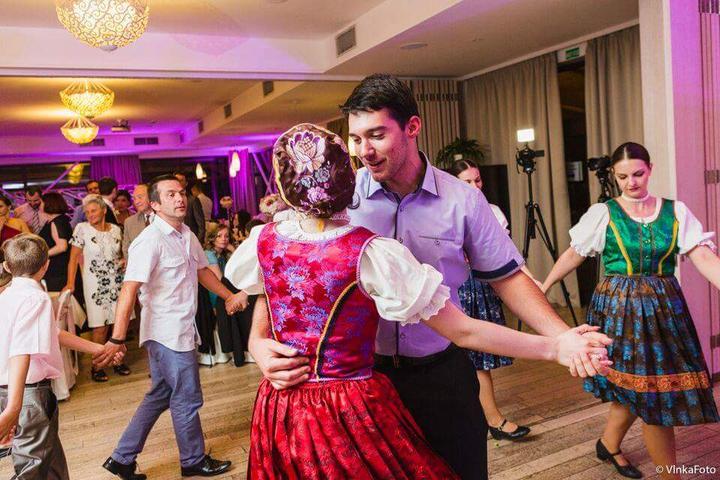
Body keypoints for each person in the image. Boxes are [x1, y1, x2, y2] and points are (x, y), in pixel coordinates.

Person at [249, 74, 611, 480]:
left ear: (412, 127)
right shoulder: (336, 199)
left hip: (441, 372)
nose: (364, 151)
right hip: (365, 383)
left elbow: (508, 278)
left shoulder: (464, 200)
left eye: (377, 135)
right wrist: (257, 341)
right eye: (355, 139)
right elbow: (280, 276)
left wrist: (563, 338)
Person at [542, 142, 720, 479]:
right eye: (622, 177)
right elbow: (575, 253)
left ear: (650, 169)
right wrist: (545, 285)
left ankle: (608, 443)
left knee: (644, 386)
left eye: (638, 174)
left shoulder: (676, 211)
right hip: (618, 309)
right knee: (648, 393)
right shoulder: (604, 212)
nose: (631, 182)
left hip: (664, 310)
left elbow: (705, 258)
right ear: (613, 174)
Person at [95, 174, 248, 480]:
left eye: (181, 193)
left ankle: (122, 458)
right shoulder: (149, 241)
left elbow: (202, 271)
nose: (179, 198)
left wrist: (229, 296)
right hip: (166, 332)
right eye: (170, 195)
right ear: (154, 205)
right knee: (187, 397)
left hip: (181, 328)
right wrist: (117, 337)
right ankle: (193, 461)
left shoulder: (186, 233)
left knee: (160, 394)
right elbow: (129, 289)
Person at [0, 234, 123, 480]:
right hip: (27, 393)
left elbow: (53, 333)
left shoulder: (7, 295)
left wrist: (97, 349)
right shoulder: (36, 298)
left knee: (51, 463)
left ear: (7, 266)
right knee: (32, 469)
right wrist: (14, 407)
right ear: (46, 265)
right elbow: (21, 350)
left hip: (9, 388)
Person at [448, 159, 540, 440]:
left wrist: (530, 279)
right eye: (467, 181)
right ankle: (488, 419)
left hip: (479, 287)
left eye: (477, 180)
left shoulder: (492, 211)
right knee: (458, 360)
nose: (475, 186)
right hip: (453, 287)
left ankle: (490, 418)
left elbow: (505, 253)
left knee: (477, 359)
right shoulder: (445, 210)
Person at [64, 194, 129, 382]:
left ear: (104, 210)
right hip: (95, 285)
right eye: (87, 212)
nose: (90, 215)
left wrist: (124, 260)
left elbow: (122, 254)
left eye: (93, 211)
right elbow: (73, 259)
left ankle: (117, 361)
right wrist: (70, 283)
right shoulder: (81, 229)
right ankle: (97, 366)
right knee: (100, 327)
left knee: (118, 324)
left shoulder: (116, 230)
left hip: (118, 282)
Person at [196, 224, 233, 366]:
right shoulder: (209, 254)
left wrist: (232, 250)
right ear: (212, 238)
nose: (224, 239)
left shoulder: (222, 254)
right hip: (212, 294)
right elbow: (220, 279)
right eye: (219, 236)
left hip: (221, 290)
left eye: (226, 236)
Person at [38, 192, 73, 292]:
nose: (40, 205)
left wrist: (42, 255)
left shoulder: (57, 221)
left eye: (41, 202)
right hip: (57, 268)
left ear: (48, 203)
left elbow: (62, 246)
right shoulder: (58, 220)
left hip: (58, 269)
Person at [122, 184, 152, 261]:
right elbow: (126, 250)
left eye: (140, 197)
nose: (136, 202)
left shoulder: (166, 217)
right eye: (134, 199)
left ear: (151, 196)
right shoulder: (129, 222)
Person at [174, 172, 205, 243]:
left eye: (181, 180)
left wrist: (198, 243)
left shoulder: (193, 200)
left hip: (191, 240)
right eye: (176, 180)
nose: (178, 182)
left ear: (186, 183)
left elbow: (201, 226)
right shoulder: (170, 201)